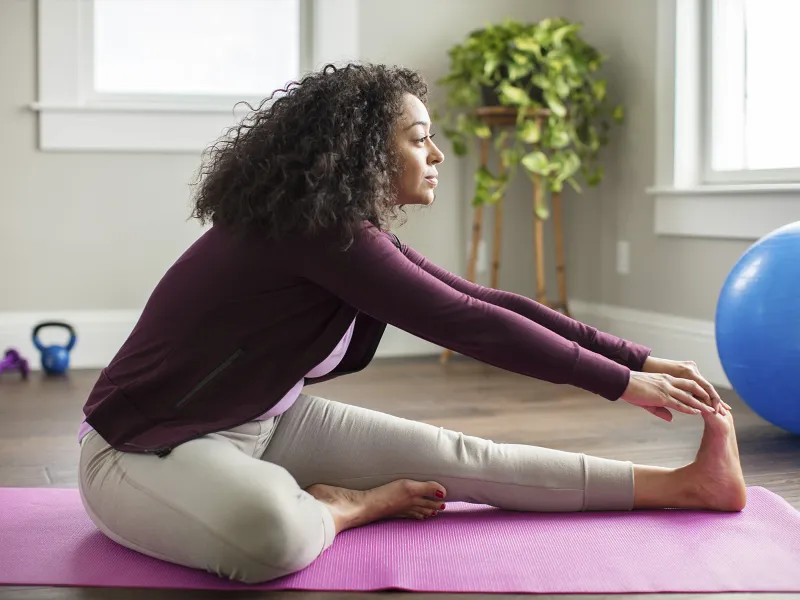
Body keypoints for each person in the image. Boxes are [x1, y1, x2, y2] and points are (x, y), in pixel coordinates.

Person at [77, 63, 746, 585]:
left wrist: (636, 359)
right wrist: (619, 385)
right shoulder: (312, 232)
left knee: (464, 458)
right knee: (271, 539)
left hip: (265, 423)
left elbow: (484, 301)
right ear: (365, 151)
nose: (438, 155)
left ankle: (686, 486)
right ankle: (346, 507)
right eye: (419, 138)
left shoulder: (343, 230)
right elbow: (466, 324)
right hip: (139, 449)